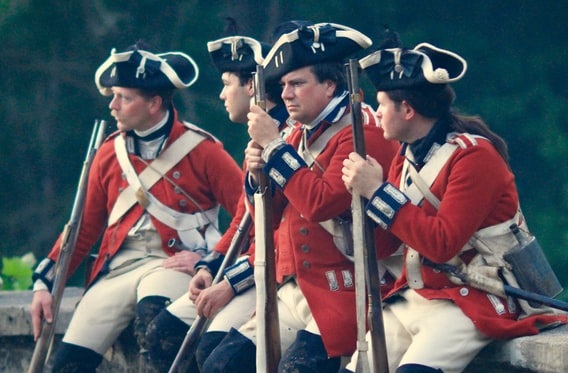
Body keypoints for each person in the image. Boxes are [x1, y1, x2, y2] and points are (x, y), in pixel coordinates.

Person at [340, 43, 568, 373]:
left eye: (381, 105)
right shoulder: (405, 158)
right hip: (421, 295)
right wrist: (360, 203)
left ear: (407, 110)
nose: (376, 115)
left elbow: (442, 243)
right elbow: (387, 245)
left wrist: (378, 192)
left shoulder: (474, 157)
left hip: (473, 296)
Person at [29, 41, 244, 372]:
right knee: (67, 363)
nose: (113, 105)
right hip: (119, 267)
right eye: (114, 96)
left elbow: (250, 214)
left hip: (172, 263)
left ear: (154, 103)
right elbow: (83, 228)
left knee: (155, 329)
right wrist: (45, 282)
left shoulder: (204, 151)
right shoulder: (107, 151)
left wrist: (209, 257)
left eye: (124, 98)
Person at [202, 22, 400, 373]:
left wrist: (275, 148)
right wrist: (256, 174)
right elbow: (269, 215)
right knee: (221, 364)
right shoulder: (297, 134)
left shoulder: (361, 129)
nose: (287, 94)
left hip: (344, 289)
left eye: (297, 84)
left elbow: (322, 203)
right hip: (296, 286)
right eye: (284, 85)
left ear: (329, 84)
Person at [141, 31, 292, 372]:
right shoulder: (258, 138)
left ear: (252, 86)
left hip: (278, 273)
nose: (222, 94)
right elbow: (242, 220)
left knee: (215, 354)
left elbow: (284, 236)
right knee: (163, 333)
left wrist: (230, 281)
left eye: (227, 83)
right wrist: (210, 266)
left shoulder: (288, 139)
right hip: (251, 266)